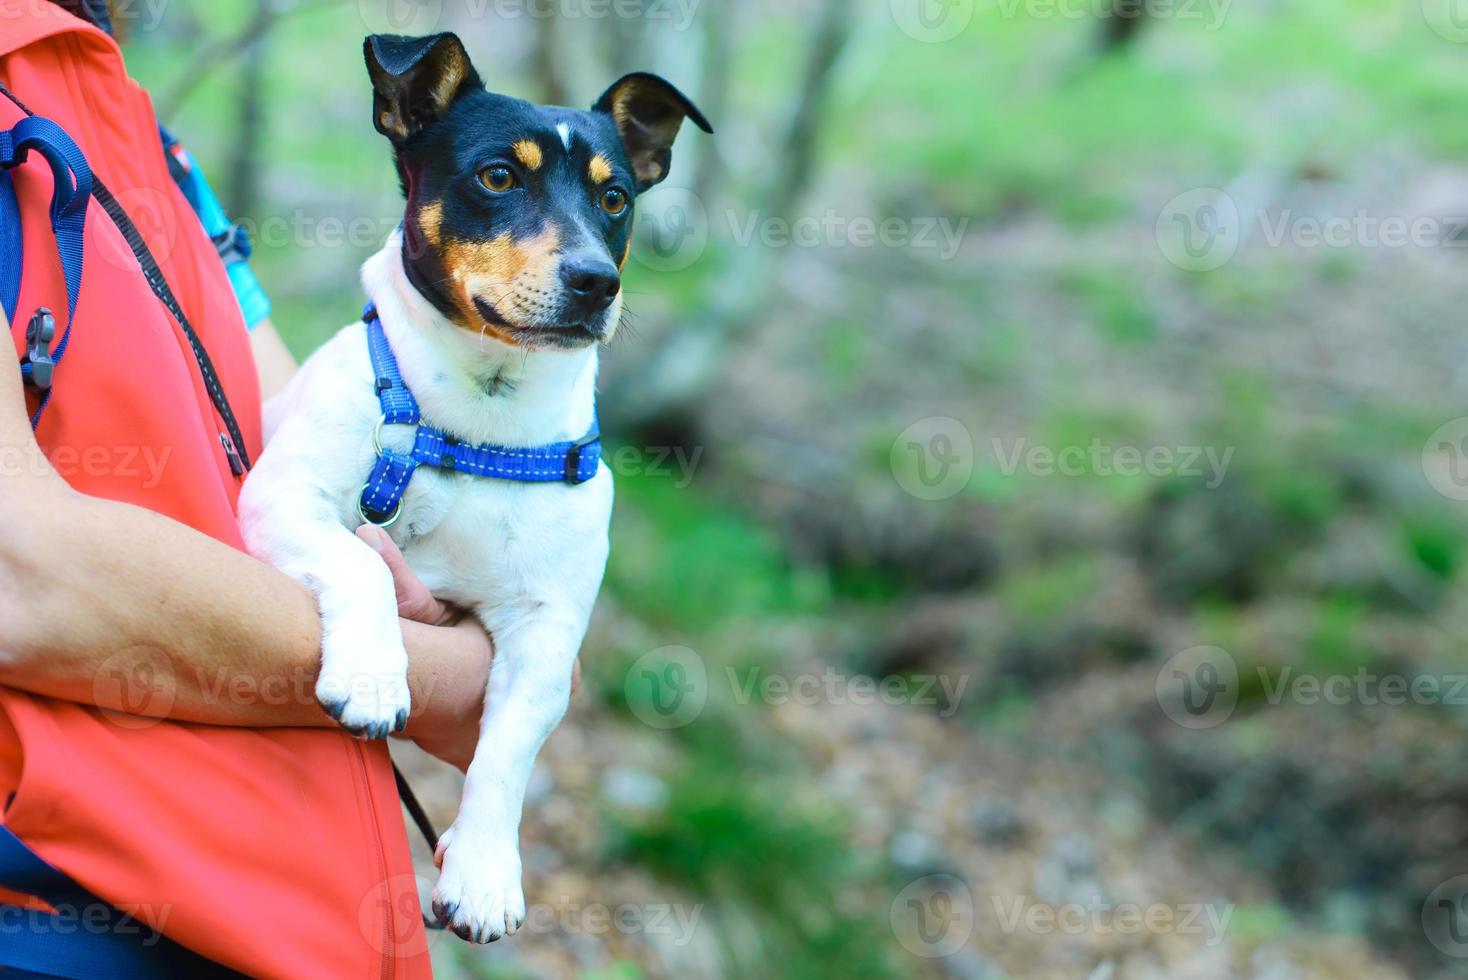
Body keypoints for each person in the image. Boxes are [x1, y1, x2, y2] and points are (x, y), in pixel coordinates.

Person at [0, 4, 563, 975]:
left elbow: (305, 458)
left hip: (301, 931)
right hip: (60, 927)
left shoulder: (148, 149)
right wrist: (457, 670)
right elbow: (23, 576)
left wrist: (506, 636)